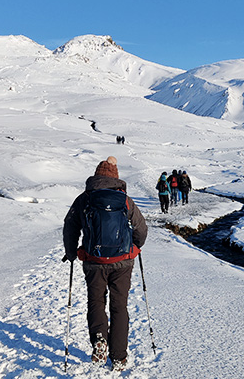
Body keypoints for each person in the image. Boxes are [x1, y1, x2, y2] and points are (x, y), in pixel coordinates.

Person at [63, 156, 148, 371]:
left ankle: (100, 340)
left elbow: (70, 226)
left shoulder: (84, 198)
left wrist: (72, 252)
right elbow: (141, 228)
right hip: (123, 262)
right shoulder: (125, 200)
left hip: (94, 261)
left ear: (96, 176)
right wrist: (135, 247)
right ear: (116, 177)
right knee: (119, 307)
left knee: (96, 303)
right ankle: (119, 357)